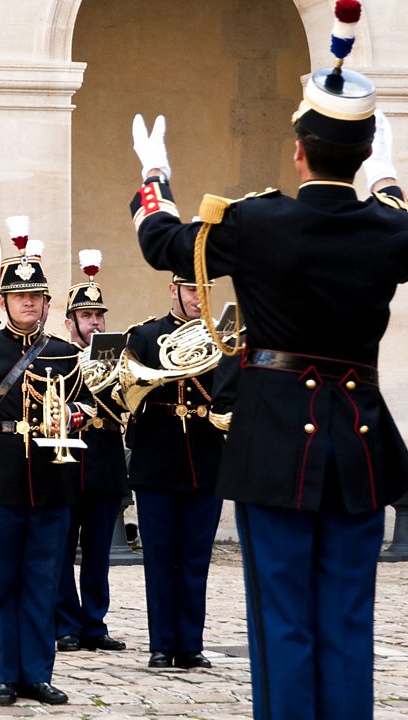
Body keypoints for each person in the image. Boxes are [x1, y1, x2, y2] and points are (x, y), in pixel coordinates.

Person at [128, 19, 408, 716]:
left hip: (276, 441)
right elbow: (397, 215)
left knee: (283, 618)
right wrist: (384, 172)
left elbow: (164, 244)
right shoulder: (392, 232)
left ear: (298, 153)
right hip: (359, 439)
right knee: (348, 618)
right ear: (361, 153)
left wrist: (154, 177)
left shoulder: (259, 222)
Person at [0, 237, 90, 706]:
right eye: (19, 296)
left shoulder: (65, 353)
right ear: (3, 301)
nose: (28, 303)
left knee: (44, 581)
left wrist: (73, 414)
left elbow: (87, 406)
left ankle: (37, 673)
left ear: (48, 303)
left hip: (52, 481)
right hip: (0, 482)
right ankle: (3, 676)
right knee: (1, 583)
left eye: (36, 296)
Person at [124, 276, 229, 670]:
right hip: (157, 460)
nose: (198, 300)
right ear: (174, 291)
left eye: (204, 292)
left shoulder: (221, 338)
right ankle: (161, 644)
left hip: (204, 461)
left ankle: (190, 645)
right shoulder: (146, 336)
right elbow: (126, 391)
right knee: (160, 557)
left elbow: (228, 392)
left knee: (195, 558)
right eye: (190, 292)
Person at [55, 253, 127, 654]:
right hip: (67, 465)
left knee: (98, 553)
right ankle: (65, 623)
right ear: (71, 323)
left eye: (99, 315)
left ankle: (95, 623)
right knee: (62, 551)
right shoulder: (58, 358)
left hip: (105, 463)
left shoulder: (118, 358)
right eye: (86, 316)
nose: (95, 322)